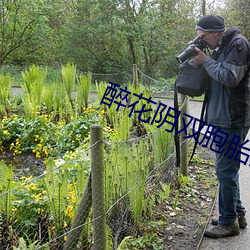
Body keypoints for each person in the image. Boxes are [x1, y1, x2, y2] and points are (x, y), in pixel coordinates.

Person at [192, 15, 250, 238]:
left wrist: (205, 61)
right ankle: (237, 214)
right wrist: (201, 60)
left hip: (232, 118)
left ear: (216, 32)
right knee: (228, 170)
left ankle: (228, 223)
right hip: (223, 117)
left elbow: (229, 77)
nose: (203, 41)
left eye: (204, 37)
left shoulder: (238, 44)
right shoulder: (221, 46)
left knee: (225, 170)